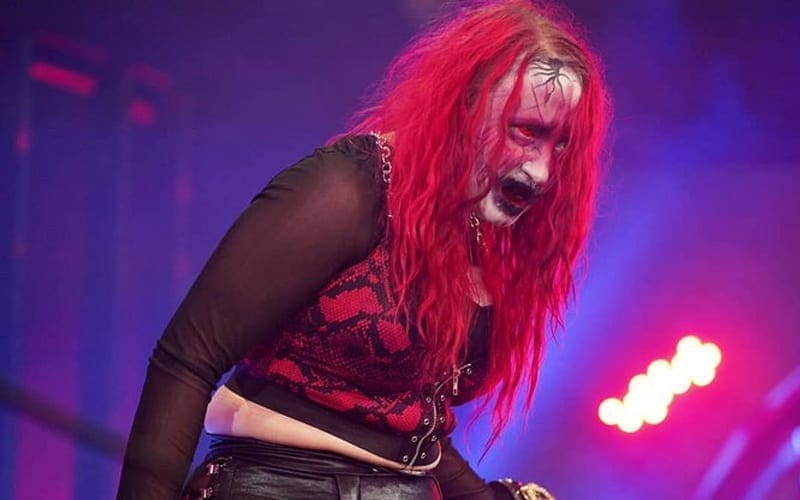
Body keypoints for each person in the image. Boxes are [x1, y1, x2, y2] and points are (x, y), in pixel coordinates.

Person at [117, 0, 609, 498]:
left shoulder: (473, 232)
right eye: (527, 130)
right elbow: (187, 359)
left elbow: (405, 428)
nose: (542, 170)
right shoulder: (353, 188)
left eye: (561, 144)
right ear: (467, 104)